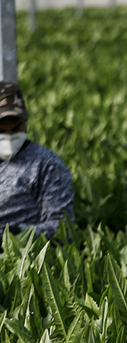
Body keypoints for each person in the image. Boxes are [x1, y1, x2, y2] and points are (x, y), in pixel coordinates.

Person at [0, 81, 75, 243]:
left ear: (25, 124)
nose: (8, 136)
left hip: (22, 257)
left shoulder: (46, 164)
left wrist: (16, 233)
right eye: (1, 131)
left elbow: (63, 229)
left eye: (15, 129)